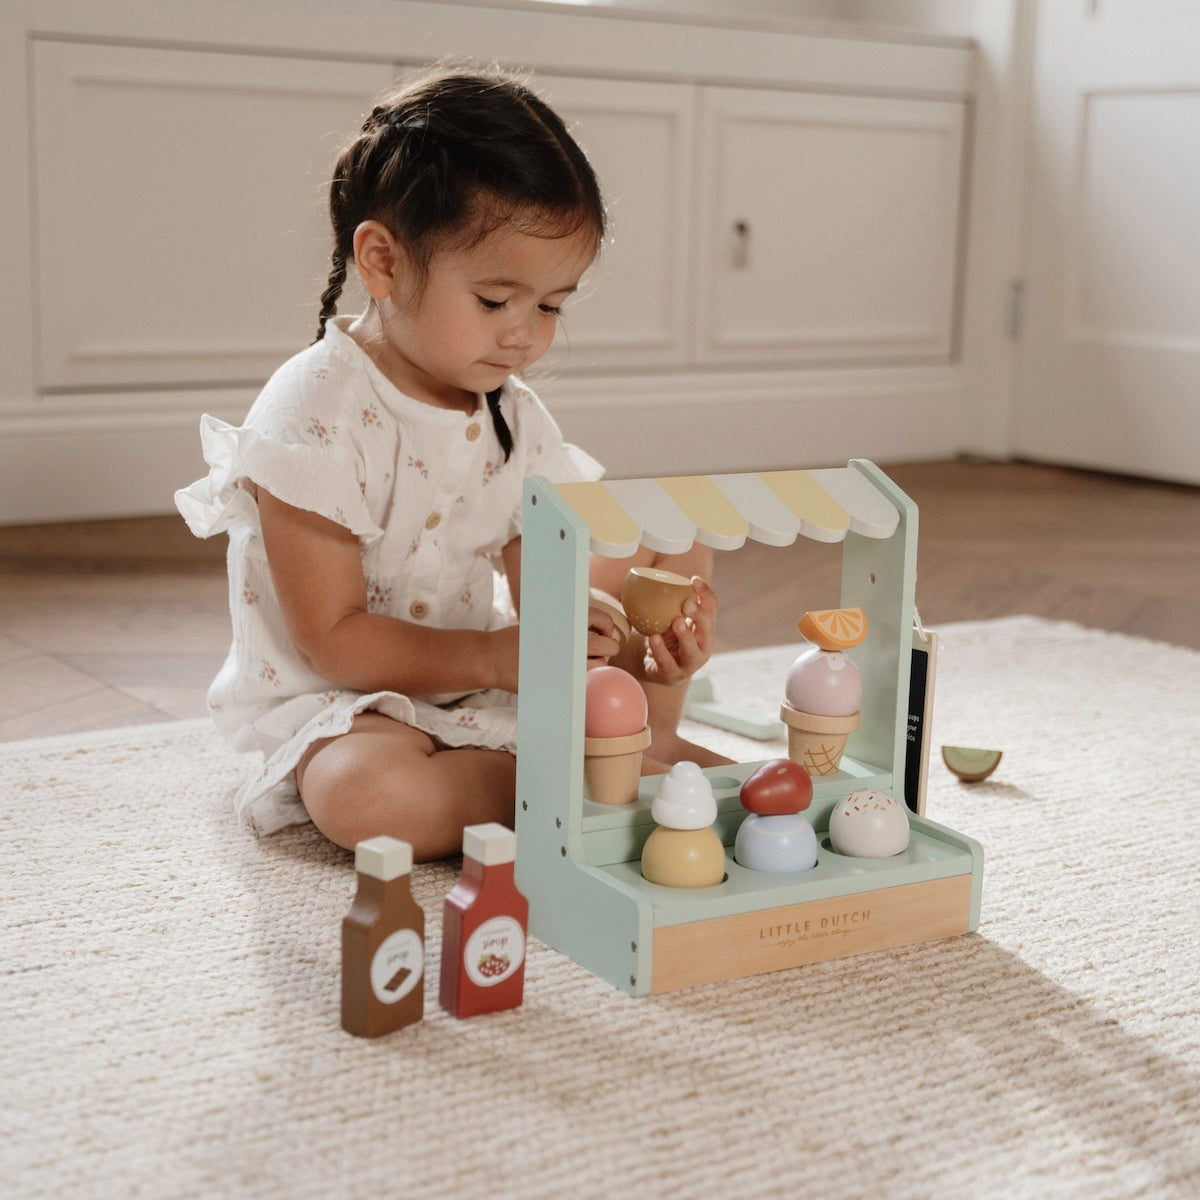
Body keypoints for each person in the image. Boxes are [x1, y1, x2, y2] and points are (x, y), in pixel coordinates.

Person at [176, 64, 726, 860]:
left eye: (551, 306)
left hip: (480, 683)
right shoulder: (313, 411)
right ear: (384, 262)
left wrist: (648, 648)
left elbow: (551, 598)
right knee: (371, 799)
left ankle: (630, 736)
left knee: (675, 534)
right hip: (349, 708)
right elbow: (331, 640)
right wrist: (495, 660)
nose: (525, 336)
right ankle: (586, 776)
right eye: (497, 301)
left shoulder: (509, 410)